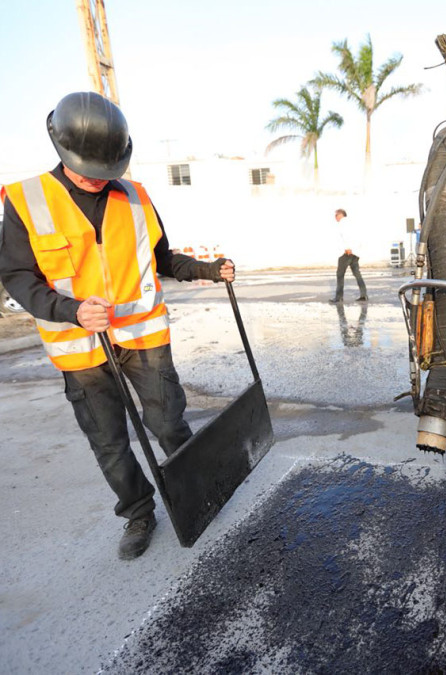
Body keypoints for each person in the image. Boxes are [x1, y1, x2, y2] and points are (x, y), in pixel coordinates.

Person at [0, 92, 236, 560]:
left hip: (143, 335)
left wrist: (210, 270)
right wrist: (71, 311)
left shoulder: (135, 194)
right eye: (88, 168)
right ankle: (139, 513)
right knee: (109, 441)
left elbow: (162, 258)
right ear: (62, 150)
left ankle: (195, 491)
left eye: (107, 170)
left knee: (168, 423)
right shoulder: (25, 200)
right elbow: (16, 275)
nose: (97, 179)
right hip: (79, 347)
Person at [330, 208, 367, 303]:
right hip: (355, 253)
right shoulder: (353, 224)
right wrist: (356, 250)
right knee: (357, 274)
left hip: (346, 253)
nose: (335, 217)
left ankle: (339, 297)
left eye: (336, 215)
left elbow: (344, 237)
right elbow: (359, 237)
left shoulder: (342, 224)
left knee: (340, 275)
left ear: (340, 215)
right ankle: (364, 295)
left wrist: (348, 248)